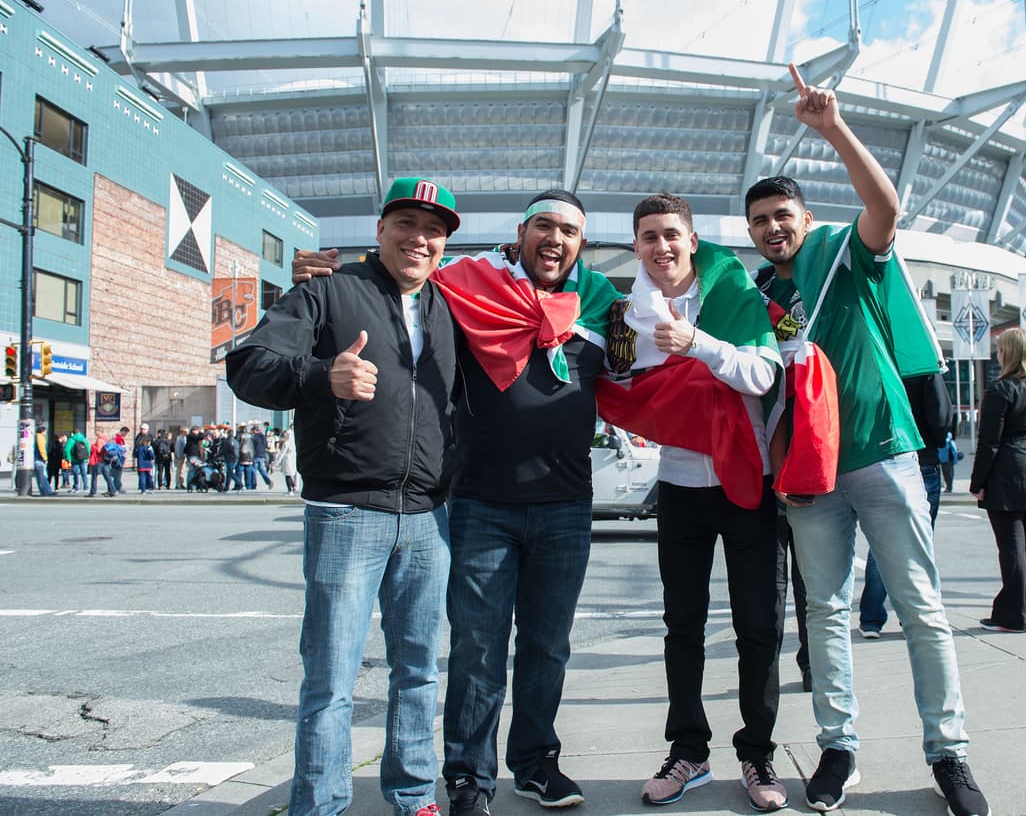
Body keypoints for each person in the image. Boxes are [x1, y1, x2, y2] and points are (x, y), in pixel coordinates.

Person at [294, 187, 623, 816]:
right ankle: (470, 778)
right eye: (544, 227)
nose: (556, 240)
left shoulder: (602, 306)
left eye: (570, 232)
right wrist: (318, 278)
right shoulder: (465, 290)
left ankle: (534, 764)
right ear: (519, 236)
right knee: (476, 648)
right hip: (480, 504)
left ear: (582, 246)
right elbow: (402, 275)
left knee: (548, 644)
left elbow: (655, 354)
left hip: (565, 505)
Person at [746, 64, 989, 816]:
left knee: (921, 605)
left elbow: (886, 205)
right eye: (760, 222)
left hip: (883, 449)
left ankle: (948, 755)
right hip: (810, 474)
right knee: (824, 612)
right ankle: (839, 747)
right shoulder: (763, 294)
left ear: (805, 216)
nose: (773, 229)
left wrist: (831, 127)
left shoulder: (842, 253)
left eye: (782, 215)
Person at [226, 176, 460, 816]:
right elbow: (249, 367)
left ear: (444, 244)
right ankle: (320, 805)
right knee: (330, 680)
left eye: (433, 229)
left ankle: (413, 797)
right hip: (347, 511)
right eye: (406, 223)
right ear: (380, 229)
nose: (419, 238)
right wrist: (320, 377)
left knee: (418, 672)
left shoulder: (449, 307)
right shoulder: (327, 289)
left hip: (428, 518)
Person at [595, 194, 787, 811]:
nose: (661, 247)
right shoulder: (627, 317)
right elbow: (623, 391)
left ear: (693, 239)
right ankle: (689, 752)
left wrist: (696, 344)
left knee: (759, 624)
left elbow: (762, 375)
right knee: (684, 626)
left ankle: (758, 754)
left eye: (671, 234)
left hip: (746, 480)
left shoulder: (731, 290)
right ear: (636, 246)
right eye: (648, 237)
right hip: (678, 484)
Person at [970, 328, 1026, 634]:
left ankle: (1012, 615)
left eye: (1000, 349)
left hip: (1008, 471)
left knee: (1011, 547)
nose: (997, 354)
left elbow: (989, 442)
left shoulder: (1001, 389)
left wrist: (978, 482)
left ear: (1008, 353)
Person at [859, 372, 953, 640]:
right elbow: (942, 418)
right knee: (920, 542)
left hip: (883, 457)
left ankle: (872, 617)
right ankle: (914, 617)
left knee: (881, 542)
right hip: (922, 458)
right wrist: (937, 441)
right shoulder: (924, 369)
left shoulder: (878, 361)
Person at [33, 425, 55, 496]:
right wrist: (45, 458)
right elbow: (42, 449)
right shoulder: (40, 437)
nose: (46, 433)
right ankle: (47, 492)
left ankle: (43, 492)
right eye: (45, 431)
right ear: (42, 431)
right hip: (39, 459)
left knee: (39, 478)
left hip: (35, 459)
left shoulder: (35, 437)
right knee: (43, 477)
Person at [277, 427, 298, 495]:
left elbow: (282, 453)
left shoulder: (286, 443)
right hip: (293, 460)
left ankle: (290, 490)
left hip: (287, 460)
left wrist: (276, 463)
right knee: (290, 475)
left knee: (287, 475)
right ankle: (294, 486)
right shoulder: (295, 443)